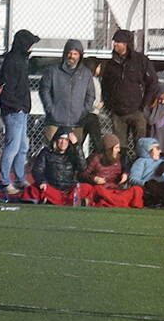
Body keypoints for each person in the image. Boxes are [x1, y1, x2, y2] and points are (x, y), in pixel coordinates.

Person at [98, 28, 157, 160]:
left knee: (141, 145)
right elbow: (105, 85)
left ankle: (139, 174)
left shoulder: (140, 60)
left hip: (137, 111)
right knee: (119, 148)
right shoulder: (111, 63)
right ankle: (121, 174)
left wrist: (144, 105)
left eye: (118, 42)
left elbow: (152, 82)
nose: (114, 44)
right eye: (114, 41)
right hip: (118, 113)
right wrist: (109, 105)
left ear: (126, 44)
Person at [37, 40, 100, 157]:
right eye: (69, 53)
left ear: (80, 56)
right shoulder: (53, 71)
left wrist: (83, 112)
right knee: (51, 153)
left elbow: (90, 95)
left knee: (73, 155)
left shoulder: (85, 74)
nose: (72, 56)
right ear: (65, 53)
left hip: (76, 123)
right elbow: (44, 90)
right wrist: (50, 109)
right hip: (55, 121)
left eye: (75, 54)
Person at [0, 29, 38, 194]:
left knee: (22, 146)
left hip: (21, 110)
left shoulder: (21, 60)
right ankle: (5, 180)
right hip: (14, 110)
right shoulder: (13, 61)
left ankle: (20, 178)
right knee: (12, 147)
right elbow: (8, 88)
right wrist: (16, 106)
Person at [73, 136, 144, 208]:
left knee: (137, 189)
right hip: (102, 191)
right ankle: (119, 203)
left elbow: (126, 169)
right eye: (116, 148)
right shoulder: (95, 158)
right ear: (109, 149)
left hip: (116, 191)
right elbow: (81, 175)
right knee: (97, 189)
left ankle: (113, 203)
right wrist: (94, 178)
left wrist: (125, 175)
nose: (119, 150)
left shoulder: (121, 158)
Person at [28, 128, 83, 204]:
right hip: (51, 187)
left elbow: (82, 167)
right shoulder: (46, 152)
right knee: (33, 189)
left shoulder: (73, 154)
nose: (63, 142)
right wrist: (42, 182)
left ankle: (54, 200)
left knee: (87, 188)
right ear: (56, 140)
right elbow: (37, 170)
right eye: (61, 139)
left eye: (66, 140)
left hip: (68, 189)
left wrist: (76, 145)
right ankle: (62, 201)